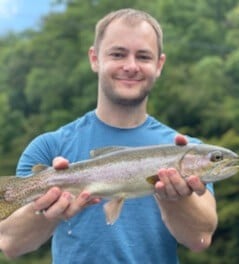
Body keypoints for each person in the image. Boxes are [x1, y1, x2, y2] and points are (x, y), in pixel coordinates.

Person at [0, 8, 217, 264]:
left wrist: (174, 200)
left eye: (144, 56)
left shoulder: (188, 148)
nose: (131, 66)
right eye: (118, 54)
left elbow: (201, 238)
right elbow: (10, 244)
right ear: (95, 58)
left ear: (159, 65)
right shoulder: (50, 147)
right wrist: (48, 211)